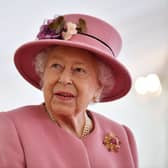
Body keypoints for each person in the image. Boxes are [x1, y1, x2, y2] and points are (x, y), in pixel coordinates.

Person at [0, 13, 138, 168]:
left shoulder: (122, 136)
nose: (64, 79)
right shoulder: (10, 126)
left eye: (78, 70)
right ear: (43, 73)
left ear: (99, 86)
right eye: (56, 66)